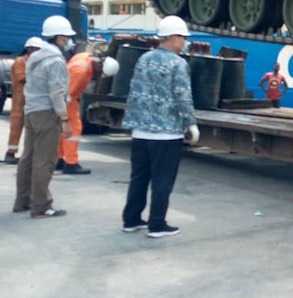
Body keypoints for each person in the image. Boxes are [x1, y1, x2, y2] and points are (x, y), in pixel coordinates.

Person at [120, 15, 199, 238]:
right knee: (162, 180)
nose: (184, 42)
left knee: (139, 177)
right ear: (173, 37)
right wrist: (190, 124)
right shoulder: (178, 63)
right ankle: (157, 224)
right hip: (166, 134)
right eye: (182, 37)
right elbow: (183, 97)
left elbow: (134, 92)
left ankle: (131, 219)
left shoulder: (144, 59)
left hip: (140, 131)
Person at [13, 16, 75, 218]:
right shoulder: (56, 61)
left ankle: (23, 201)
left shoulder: (34, 58)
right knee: (44, 160)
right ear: (58, 37)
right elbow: (57, 93)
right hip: (47, 113)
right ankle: (41, 206)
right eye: (66, 37)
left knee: (28, 157)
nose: (67, 41)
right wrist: (64, 119)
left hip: (31, 110)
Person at [56, 53, 119, 174]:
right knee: (74, 130)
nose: (97, 76)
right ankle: (71, 163)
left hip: (67, 98)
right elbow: (67, 95)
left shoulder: (84, 56)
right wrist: (64, 116)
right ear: (100, 67)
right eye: (100, 73)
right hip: (67, 101)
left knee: (63, 131)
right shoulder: (80, 72)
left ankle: (58, 159)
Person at [4, 37, 43, 164]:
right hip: (20, 100)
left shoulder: (38, 62)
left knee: (34, 128)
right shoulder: (21, 61)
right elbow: (21, 77)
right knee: (16, 126)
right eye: (34, 49)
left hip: (33, 100)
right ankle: (10, 153)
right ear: (28, 49)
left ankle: (31, 154)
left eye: (38, 49)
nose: (36, 52)